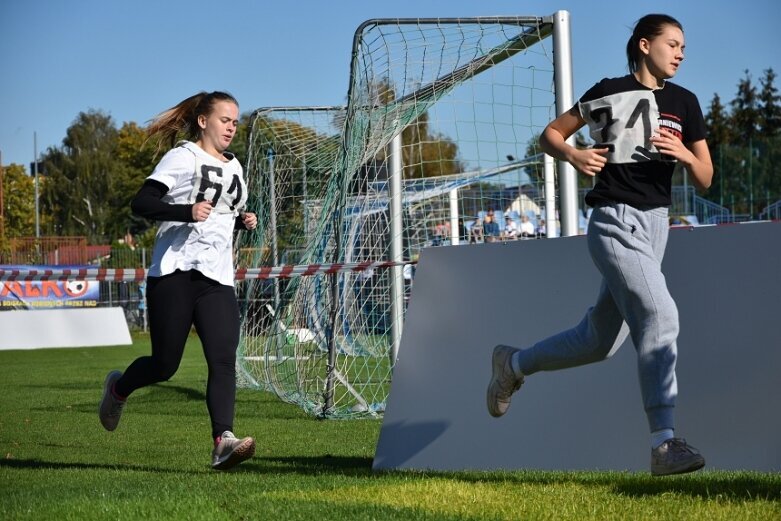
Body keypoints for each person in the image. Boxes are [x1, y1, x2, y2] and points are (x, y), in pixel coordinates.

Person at [486, 14, 713, 477]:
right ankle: (663, 443)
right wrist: (573, 154)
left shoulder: (685, 103)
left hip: (655, 227)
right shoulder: (606, 89)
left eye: (684, 47)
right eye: (673, 44)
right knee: (661, 314)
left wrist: (687, 155)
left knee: (599, 341)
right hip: (612, 220)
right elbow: (551, 133)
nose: (681, 53)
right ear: (645, 45)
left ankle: (513, 364)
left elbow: (706, 178)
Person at [98, 91, 259, 471]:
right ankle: (118, 389)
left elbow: (220, 214)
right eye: (225, 119)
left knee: (223, 360)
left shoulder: (236, 168)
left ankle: (223, 441)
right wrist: (185, 210)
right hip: (175, 272)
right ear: (203, 121)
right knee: (165, 364)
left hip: (217, 278)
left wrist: (242, 221)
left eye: (236, 121)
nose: (232, 127)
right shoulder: (183, 157)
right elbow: (142, 203)